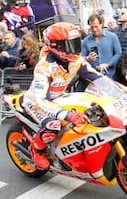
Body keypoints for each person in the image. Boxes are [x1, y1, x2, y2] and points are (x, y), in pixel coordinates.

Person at [22, 22, 102, 170]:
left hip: (58, 97)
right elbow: (41, 100)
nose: (75, 48)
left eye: (76, 43)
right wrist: (67, 115)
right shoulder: (44, 67)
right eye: (69, 44)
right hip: (37, 103)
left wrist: (119, 91)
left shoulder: (76, 60)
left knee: (87, 112)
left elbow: (97, 77)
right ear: (56, 46)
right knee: (55, 124)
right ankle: (36, 149)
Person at [82, 14, 121, 79]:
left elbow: (118, 53)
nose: (94, 29)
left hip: (110, 75)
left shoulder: (112, 37)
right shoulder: (86, 41)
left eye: (96, 26)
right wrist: (88, 58)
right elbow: (81, 58)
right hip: (92, 76)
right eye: (92, 27)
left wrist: (108, 64)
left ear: (101, 24)